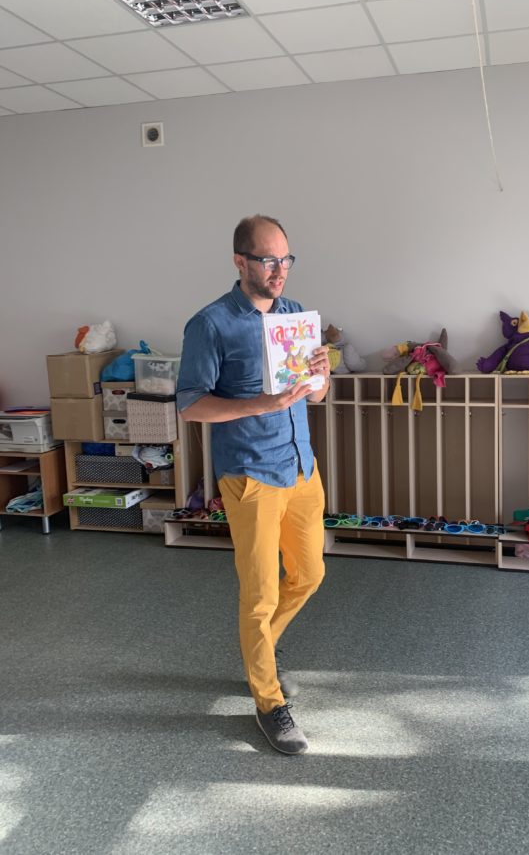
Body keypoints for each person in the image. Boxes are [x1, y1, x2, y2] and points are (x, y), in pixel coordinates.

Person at [176, 214, 330, 755]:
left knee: (310, 575)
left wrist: (322, 373)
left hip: (301, 468)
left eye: (286, 259)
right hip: (250, 474)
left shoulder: (294, 314)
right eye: (268, 260)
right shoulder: (210, 324)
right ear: (240, 261)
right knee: (260, 594)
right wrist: (259, 404)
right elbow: (191, 405)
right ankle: (268, 702)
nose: (279, 270)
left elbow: (316, 395)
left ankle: (259, 650)